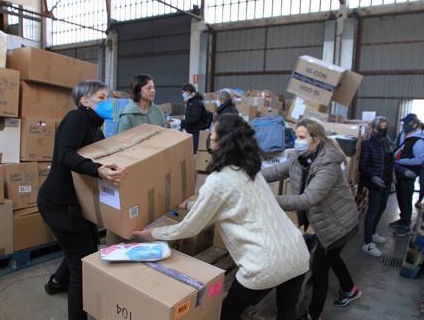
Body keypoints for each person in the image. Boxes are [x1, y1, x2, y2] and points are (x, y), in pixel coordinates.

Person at [134, 114, 310, 320]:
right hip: (296, 252)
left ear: (222, 144)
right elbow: (228, 204)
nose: (209, 139)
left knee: (229, 313)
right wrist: (191, 205)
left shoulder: (218, 181)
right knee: (286, 313)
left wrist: (153, 232)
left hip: (265, 263)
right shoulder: (251, 170)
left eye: (213, 136)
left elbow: (189, 228)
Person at [38, 80, 127, 320]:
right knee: (83, 268)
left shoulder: (96, 129)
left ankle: (56, 283)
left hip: (78, 204)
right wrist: (97, 169)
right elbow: (65, 155)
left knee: (86, 249)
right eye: (101, 97)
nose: (107, 102)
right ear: (84, 101)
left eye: (108, 97)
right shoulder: (76, 118)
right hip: (60, 204)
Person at [262, 118, 360, 320]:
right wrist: (251, 175)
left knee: (319, 268)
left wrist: (268, 199)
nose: (297, 141)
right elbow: (279, 170)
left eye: (301, 137)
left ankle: (314, 314)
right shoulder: (301, 155)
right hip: (327, 222)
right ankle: (350, 289)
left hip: (338, 225)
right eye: (296, 136)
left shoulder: (328, 165)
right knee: (332, 257)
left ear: (315, 139)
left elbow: (309, 198)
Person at [107, 74, 167, 246]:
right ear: (138, 90)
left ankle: (141, 243)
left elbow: (164, 136)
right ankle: (115, 245)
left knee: (147, 210)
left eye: (153, 87)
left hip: (152, 167)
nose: (153, 90)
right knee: (127, 209)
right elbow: (121, 147)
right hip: (131, 170)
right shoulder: (128, 115)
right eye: (148, 87)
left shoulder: (158, 112)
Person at [359, 117, 394, 257]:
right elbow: (363, 165)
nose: (384, 129)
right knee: (373, 211)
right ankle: (368, 243)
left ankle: (373, 233)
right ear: (374, 129)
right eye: (381, 126)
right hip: (375, 183)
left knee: (382, 208)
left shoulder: (388, 143)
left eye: (385, 126)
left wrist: (393, 179)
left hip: (386, 182)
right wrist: (373, 177)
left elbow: (391, 163)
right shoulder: (368, 144)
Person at [389, 113, 424, 237]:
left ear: (414, 124)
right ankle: (402, 219)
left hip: (408, 174)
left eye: (407, 123)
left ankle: (405, 226)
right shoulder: (402, 135)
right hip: (399, 172)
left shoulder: (419, 140)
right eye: (404, 123)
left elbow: (419, 160)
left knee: (406, 198)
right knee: (400, 196)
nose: (404, 125)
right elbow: (396, 146)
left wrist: (399, 161)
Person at [180, 83, 212, 153]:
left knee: (195, 152)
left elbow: (195, 119)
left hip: (196, 132)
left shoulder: (195, 102)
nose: (183, 94)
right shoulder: (191, 102)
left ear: (188, 92)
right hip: (192, 131)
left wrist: (182, 122)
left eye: (183, 92)